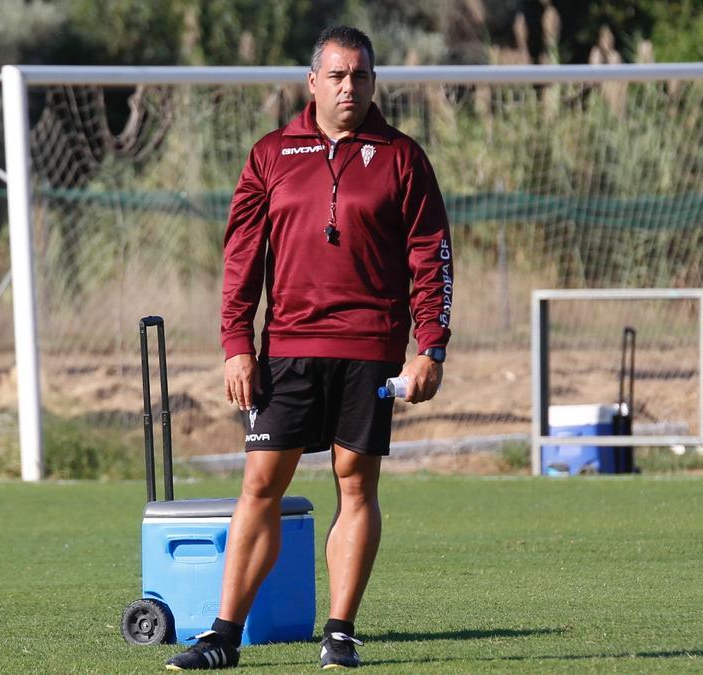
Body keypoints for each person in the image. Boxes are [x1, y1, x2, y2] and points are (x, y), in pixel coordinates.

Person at [165, 25, 453, 672]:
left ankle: (340, 632)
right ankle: (222, 635)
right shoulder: (271, 154)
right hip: (287, 348)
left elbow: (431, 257)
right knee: (260, 484)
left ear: (373, 83)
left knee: (357, 483)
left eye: (362, 76)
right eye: (339, 75)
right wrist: (237, 342)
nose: (351, 86)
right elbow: (240, 256)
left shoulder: (403, 158)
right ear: (313, 82)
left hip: (371, 347)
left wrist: (429, 343)